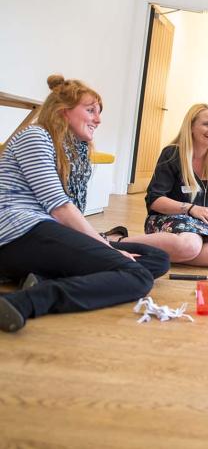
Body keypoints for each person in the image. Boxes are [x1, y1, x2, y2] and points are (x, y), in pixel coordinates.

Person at [0, 75, 170, 333]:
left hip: (41, 230)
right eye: (90, 110)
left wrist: (104, 248)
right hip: (16, 232)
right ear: (62, 111)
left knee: (156, 258)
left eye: (98, 113)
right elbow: (59, 207)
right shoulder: (35, 137)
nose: (98, 119)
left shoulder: (71, 150)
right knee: (138, 276)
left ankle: (40, 278)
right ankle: (27, 300)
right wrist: (108, 249)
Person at [110, 104, 208, 267]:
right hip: (165, 219)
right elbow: (154, 200)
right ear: (191, 128)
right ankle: (117, 243)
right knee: (191, 243)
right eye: (206, 124)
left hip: (199, 227)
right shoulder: (172, 154)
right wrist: (190, 208)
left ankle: (157, 253)